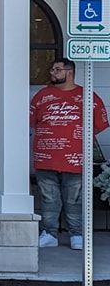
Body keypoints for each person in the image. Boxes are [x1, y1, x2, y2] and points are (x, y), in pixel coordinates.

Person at [31, 58, 109, 250]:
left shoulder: (87, 96)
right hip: (46, 157)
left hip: (76, 158)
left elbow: (98, 125)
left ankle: (77, 235)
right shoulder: (42, 95)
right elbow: (31, 121)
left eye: (57, 69)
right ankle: (49, 233)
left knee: (74, 198)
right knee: (49, 198)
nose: (52, 72)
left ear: (69, 72)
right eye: (52, 69)